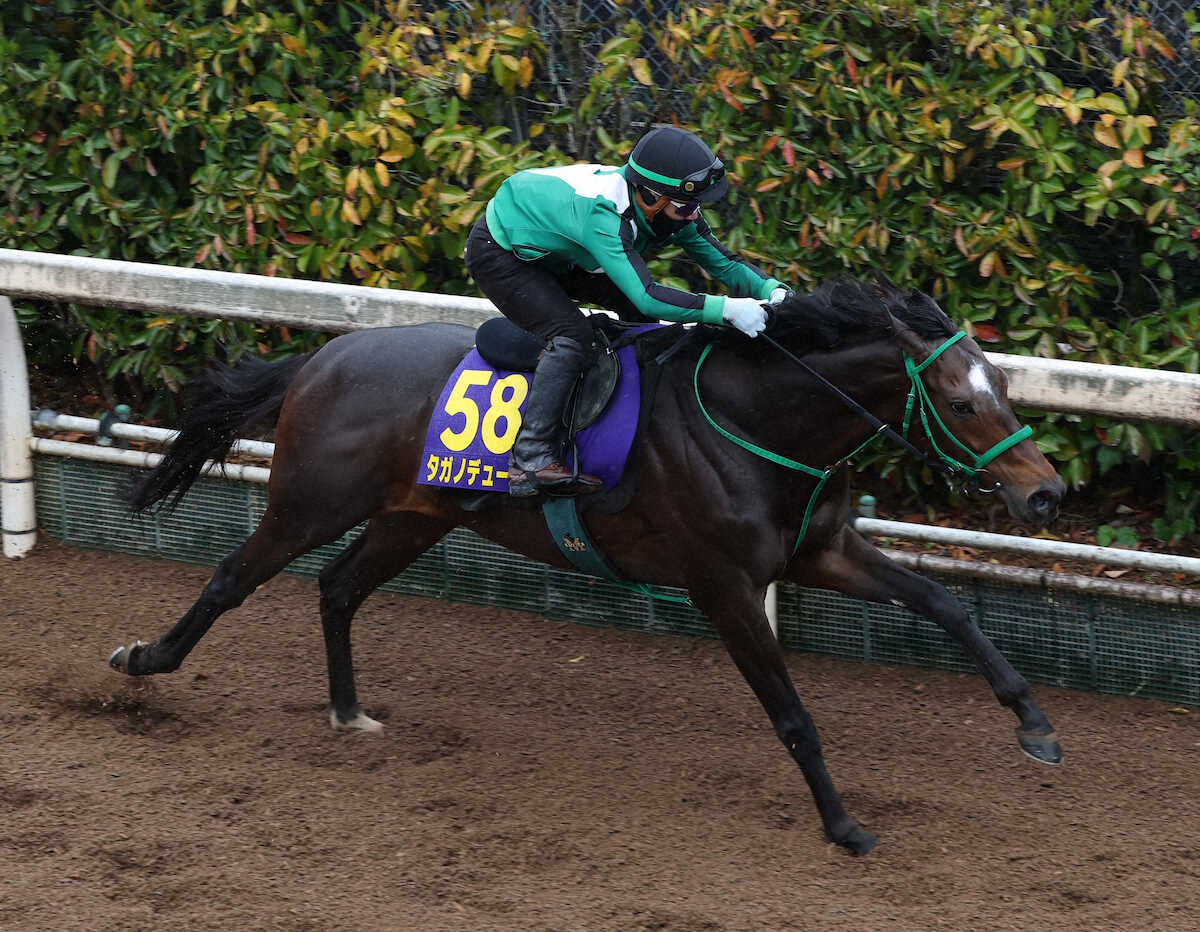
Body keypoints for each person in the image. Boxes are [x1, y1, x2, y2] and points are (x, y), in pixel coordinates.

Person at [465, 124, 790, 498]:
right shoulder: (605, 216)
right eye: (686, 207)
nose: (693, 216)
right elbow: (648, 295)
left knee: (646, 325)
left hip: (565, 253)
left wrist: (774, 290)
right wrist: (725, 308)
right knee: (573, 337)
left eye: (697, 206)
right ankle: (530, 459)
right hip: (502, 254)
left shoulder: (673, 207)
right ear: (650, 197)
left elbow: (725, 263)